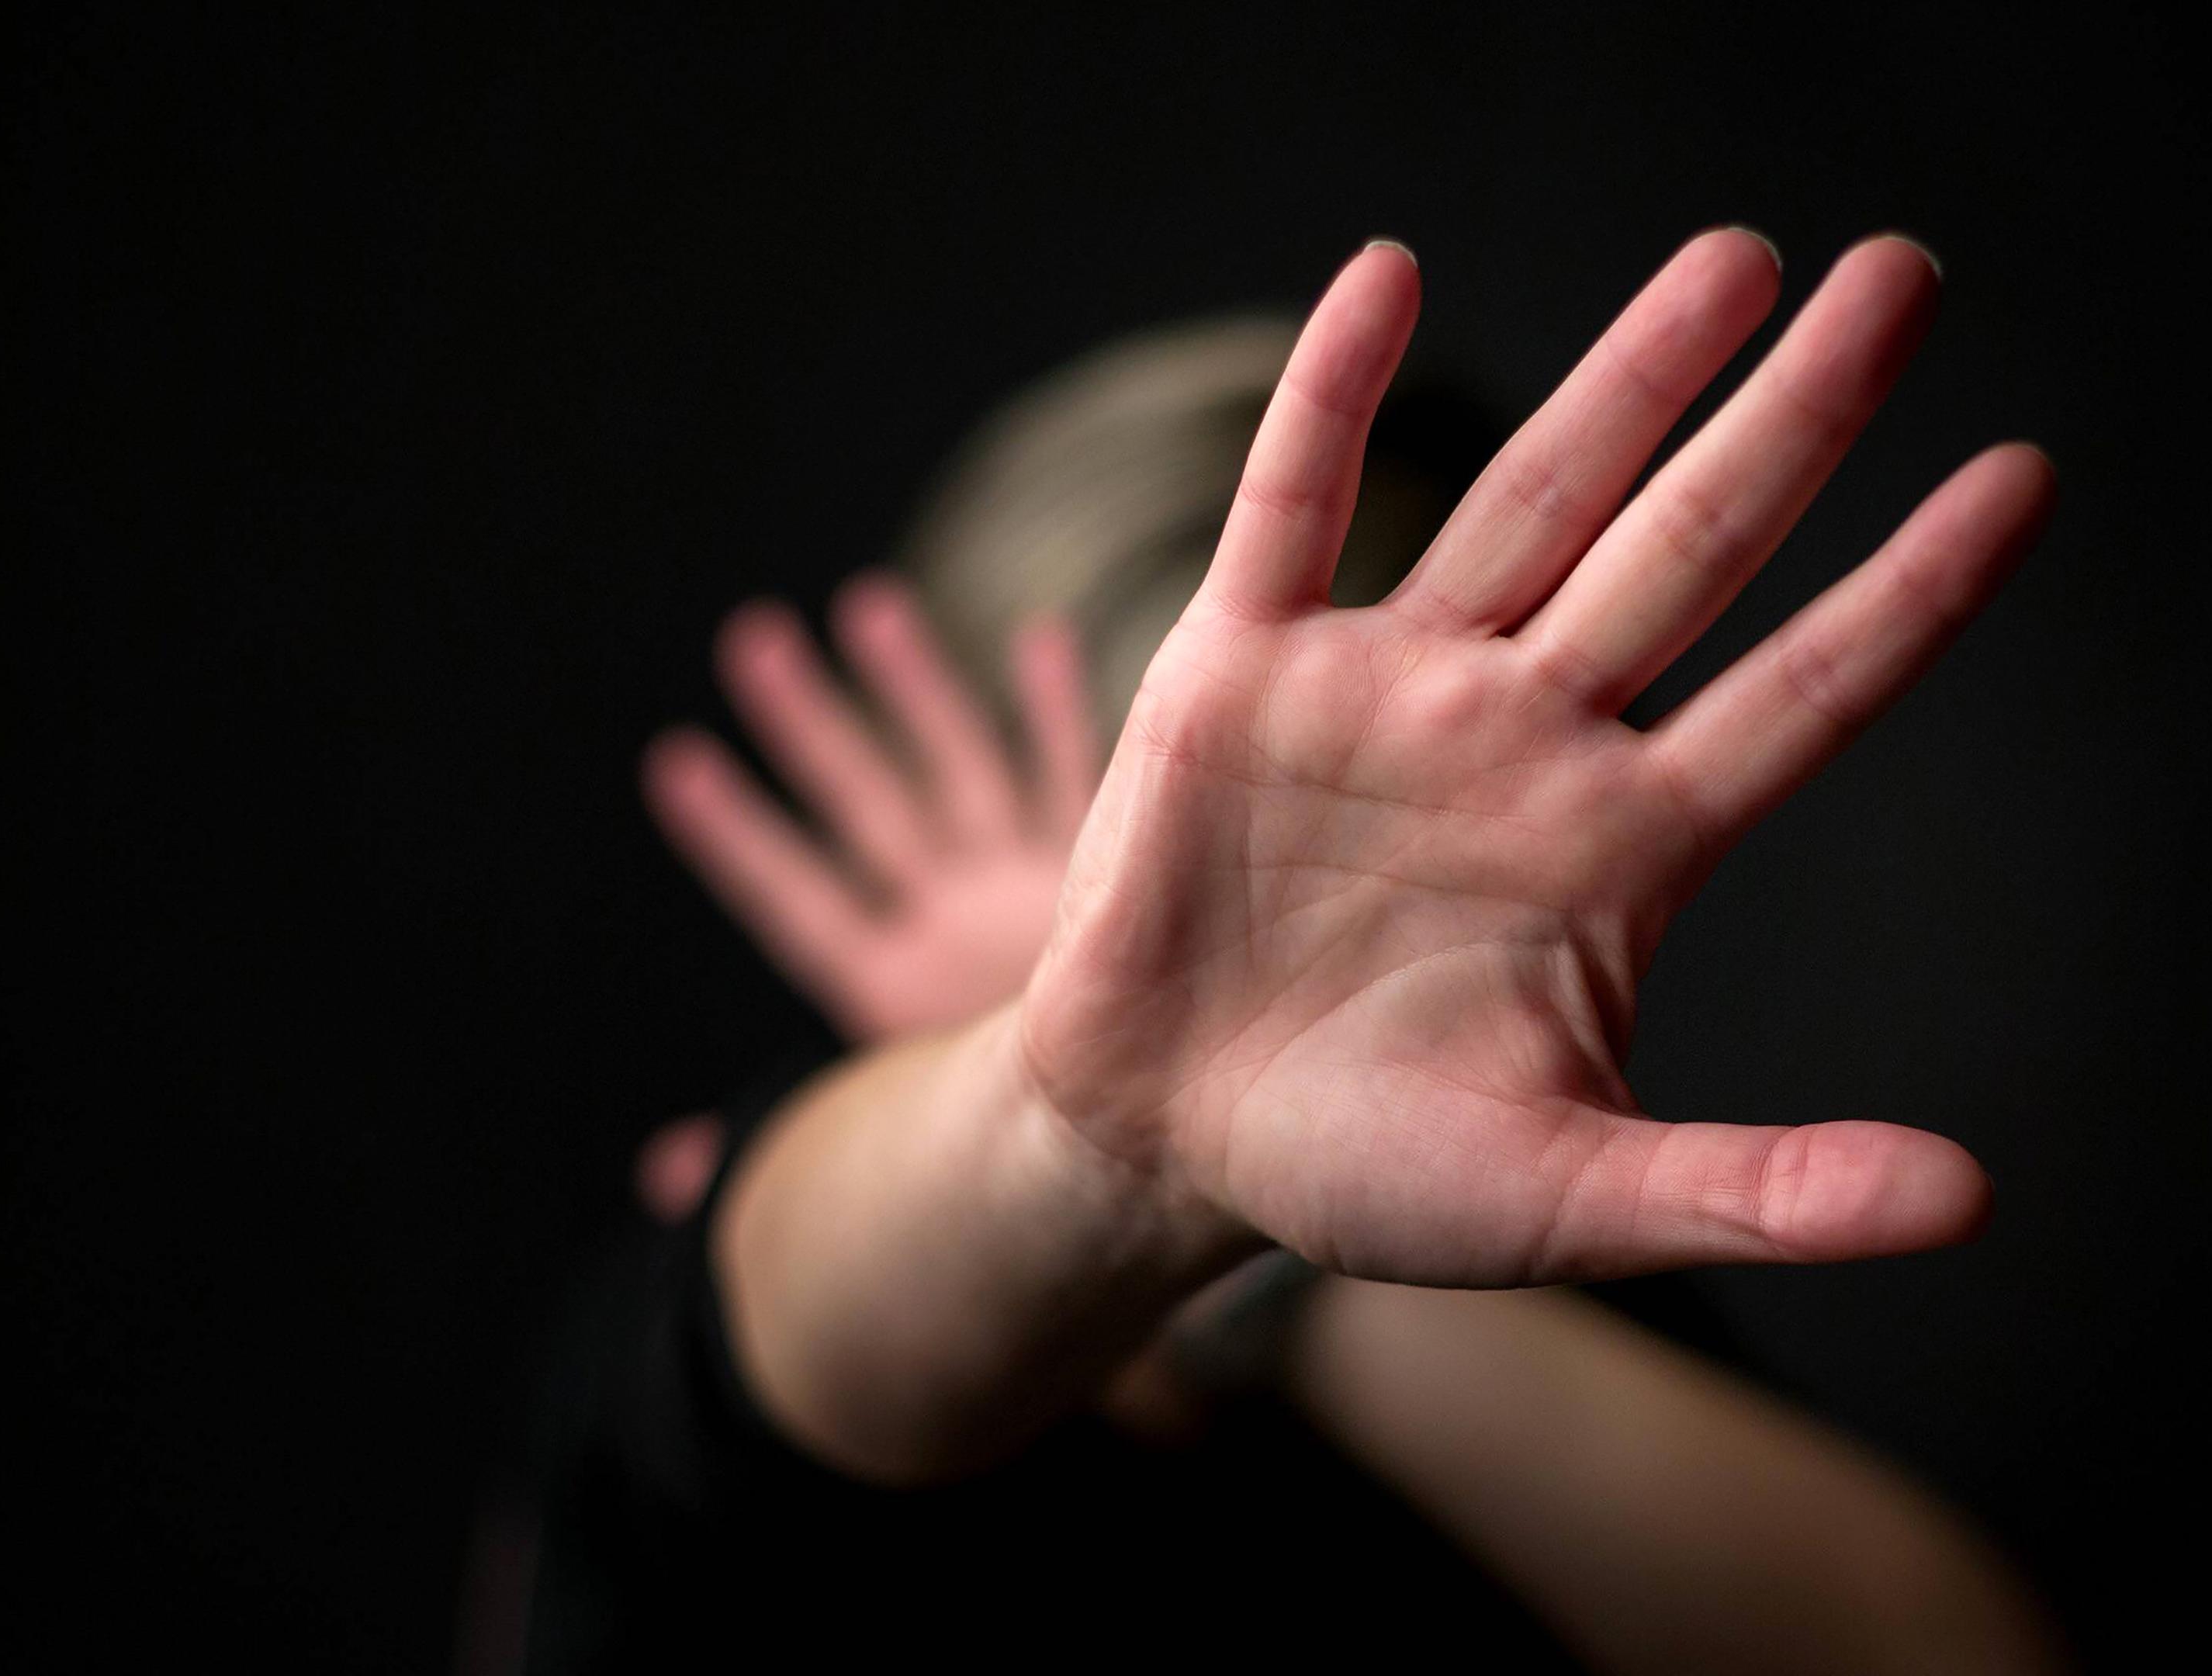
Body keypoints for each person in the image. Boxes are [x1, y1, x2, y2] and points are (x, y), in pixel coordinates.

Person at [490, 228, 2065, 1674]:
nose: (1163, 949)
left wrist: (1261, 1269)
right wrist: (1093, 1125)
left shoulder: (1547, 1298)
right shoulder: (744, 1322)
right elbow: (751, 1373)